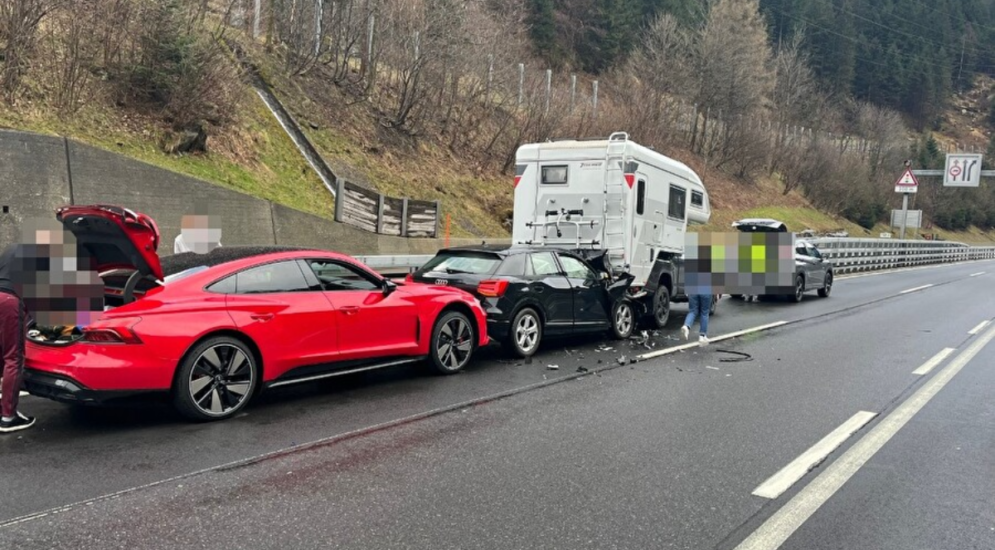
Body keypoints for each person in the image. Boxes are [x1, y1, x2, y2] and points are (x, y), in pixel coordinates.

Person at [0, 242, 35, 433]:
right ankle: (8, 417)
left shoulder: (12, 249)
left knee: (1, 355)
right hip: (9, 301)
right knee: (13, 357)